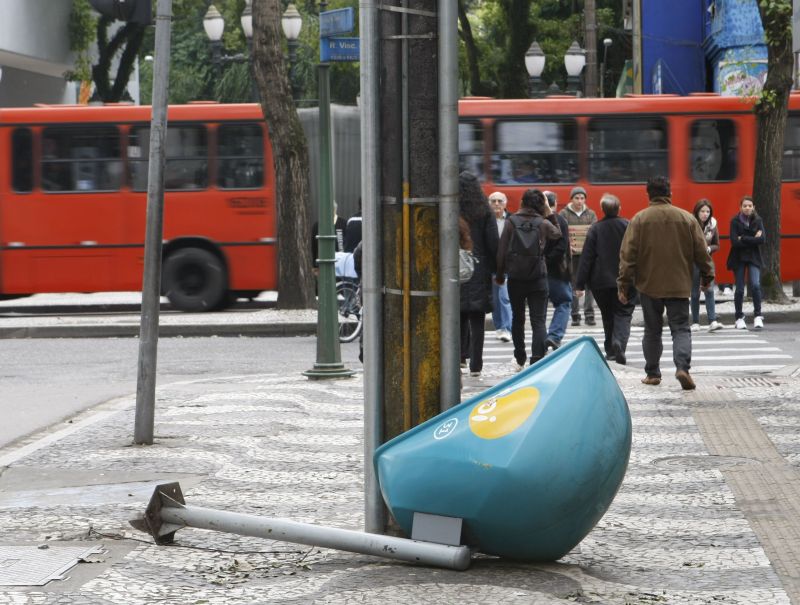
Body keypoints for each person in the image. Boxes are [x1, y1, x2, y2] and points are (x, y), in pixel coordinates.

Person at [618, 176, 714, 390]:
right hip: (679, 284)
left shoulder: (639, 219)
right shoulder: (687, 219)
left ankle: (652, 373)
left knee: (652, 330)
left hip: (649, 285)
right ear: (669, 193)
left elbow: (628, 256)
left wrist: (624, 285)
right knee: (680, 328)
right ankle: (682, 368)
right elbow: (702, 252)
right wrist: (707, 277)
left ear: (648, 194)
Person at [496, 188, 562, 371]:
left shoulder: (511, 222)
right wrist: (549, 212)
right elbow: (558, 234)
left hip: (516, 278)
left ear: (523, 202)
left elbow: (501, 251)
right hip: (538, 277)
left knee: (518, 318)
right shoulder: (542, 223)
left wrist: (501, 275)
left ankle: (520, 356)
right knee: (538, 320)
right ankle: (537, 358)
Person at [575, 193, 635, 364]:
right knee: (623, 313)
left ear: (602, 209)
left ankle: (610, 350)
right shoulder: (627, 225)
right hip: (624, 280)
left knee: (607, 315)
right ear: (619, 208)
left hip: (600, 282)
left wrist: (579, 284)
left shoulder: (595, 228)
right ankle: (619, 343)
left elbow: (586, 258)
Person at [459, 172, 499, 378]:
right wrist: (495, 268)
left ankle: (460, 357)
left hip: (455, 267)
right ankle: (476, 364)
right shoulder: (485, 211)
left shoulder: (451, 210)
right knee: (477, 319)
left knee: (458, 316)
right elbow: (493, 243)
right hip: (479, 268)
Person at [727, 195, 766, 330]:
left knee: (755, 285)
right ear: (740, 207)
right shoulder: (734, 221)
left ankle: (758, 315)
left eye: (750, 206)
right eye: (745, 206)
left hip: (754, 257)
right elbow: (734, 242)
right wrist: (752, 239)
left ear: (753, 207)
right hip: (738, 258)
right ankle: (739, 317)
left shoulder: (758, 220)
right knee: (739, 289)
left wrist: (743, 237)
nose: (747, 208)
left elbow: (762, 240)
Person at [560, 186, 597, 327]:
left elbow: (594, 232)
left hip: (587, 255)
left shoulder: (591, 214)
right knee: (573, 284)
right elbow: (561, 232)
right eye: (577, 198)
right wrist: (569, 245)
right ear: (572, 199)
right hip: (571, 255)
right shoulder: (564, 213)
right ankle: (575, 315)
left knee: (589, 284)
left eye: (582, 198)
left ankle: (589, 314)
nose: (579, 201)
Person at [542, 191, 573, 351]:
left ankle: (540, 339)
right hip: (557, 272)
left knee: (539, 307)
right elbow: (562, 247)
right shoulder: (560, 220)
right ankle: (554, 336)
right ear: (555, 203)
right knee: (563, 303)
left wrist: (541, 261)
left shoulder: (536, 220)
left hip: (537, 272)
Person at [690, 199, 724, 332]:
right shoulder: (691, 223)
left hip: (708, 261)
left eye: (707, 211)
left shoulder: (713, 224)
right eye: (702, 211)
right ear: (697, 212)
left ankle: (712, 321)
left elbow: (717, 244)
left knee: (709, 290)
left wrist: (709, 249)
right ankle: (695, 322)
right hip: (694, 261)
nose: (705, 214)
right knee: (695, 293)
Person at [488, 191, 512, 343]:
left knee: (504, 297)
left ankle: (507, 328)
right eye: (493, 201)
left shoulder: (511, 220)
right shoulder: (485, 220)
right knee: (495, 299)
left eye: (499, 201)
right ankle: (499, 327)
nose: (497, 204)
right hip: (491, 265)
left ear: (505, 203)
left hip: (508, 265)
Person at [311, 202, 348, 275]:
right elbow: (314, 246)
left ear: (335, 210)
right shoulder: (317, 225)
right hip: (322, 264)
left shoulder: (344, 224)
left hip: (340, 264)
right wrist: (315, 265)